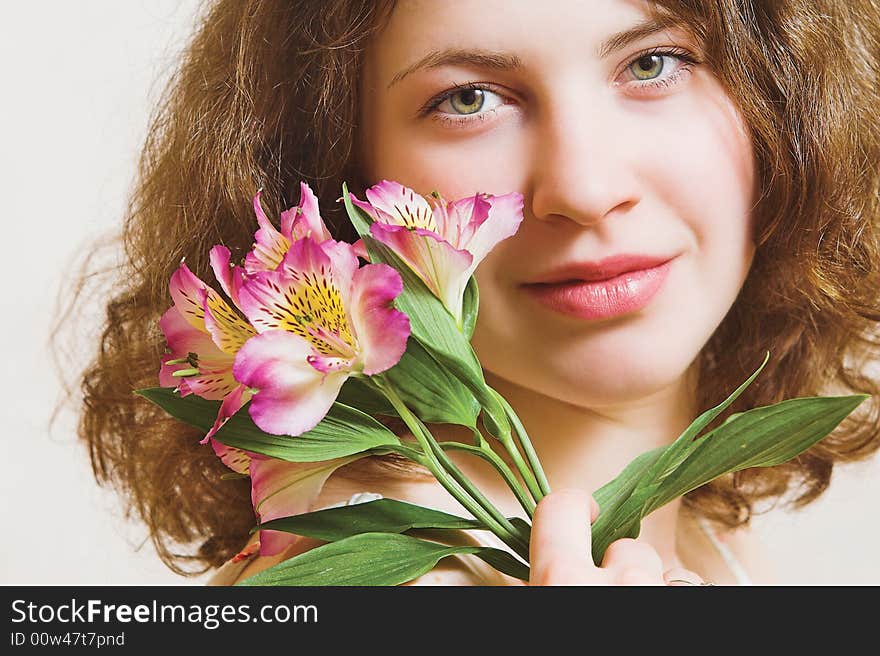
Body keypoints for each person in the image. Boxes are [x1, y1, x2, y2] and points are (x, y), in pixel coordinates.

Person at [74, 0, 880, 585]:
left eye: (652, 63)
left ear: (790, 103)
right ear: (330, 178)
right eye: (468, 99)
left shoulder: (706, 545)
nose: (585, 188)